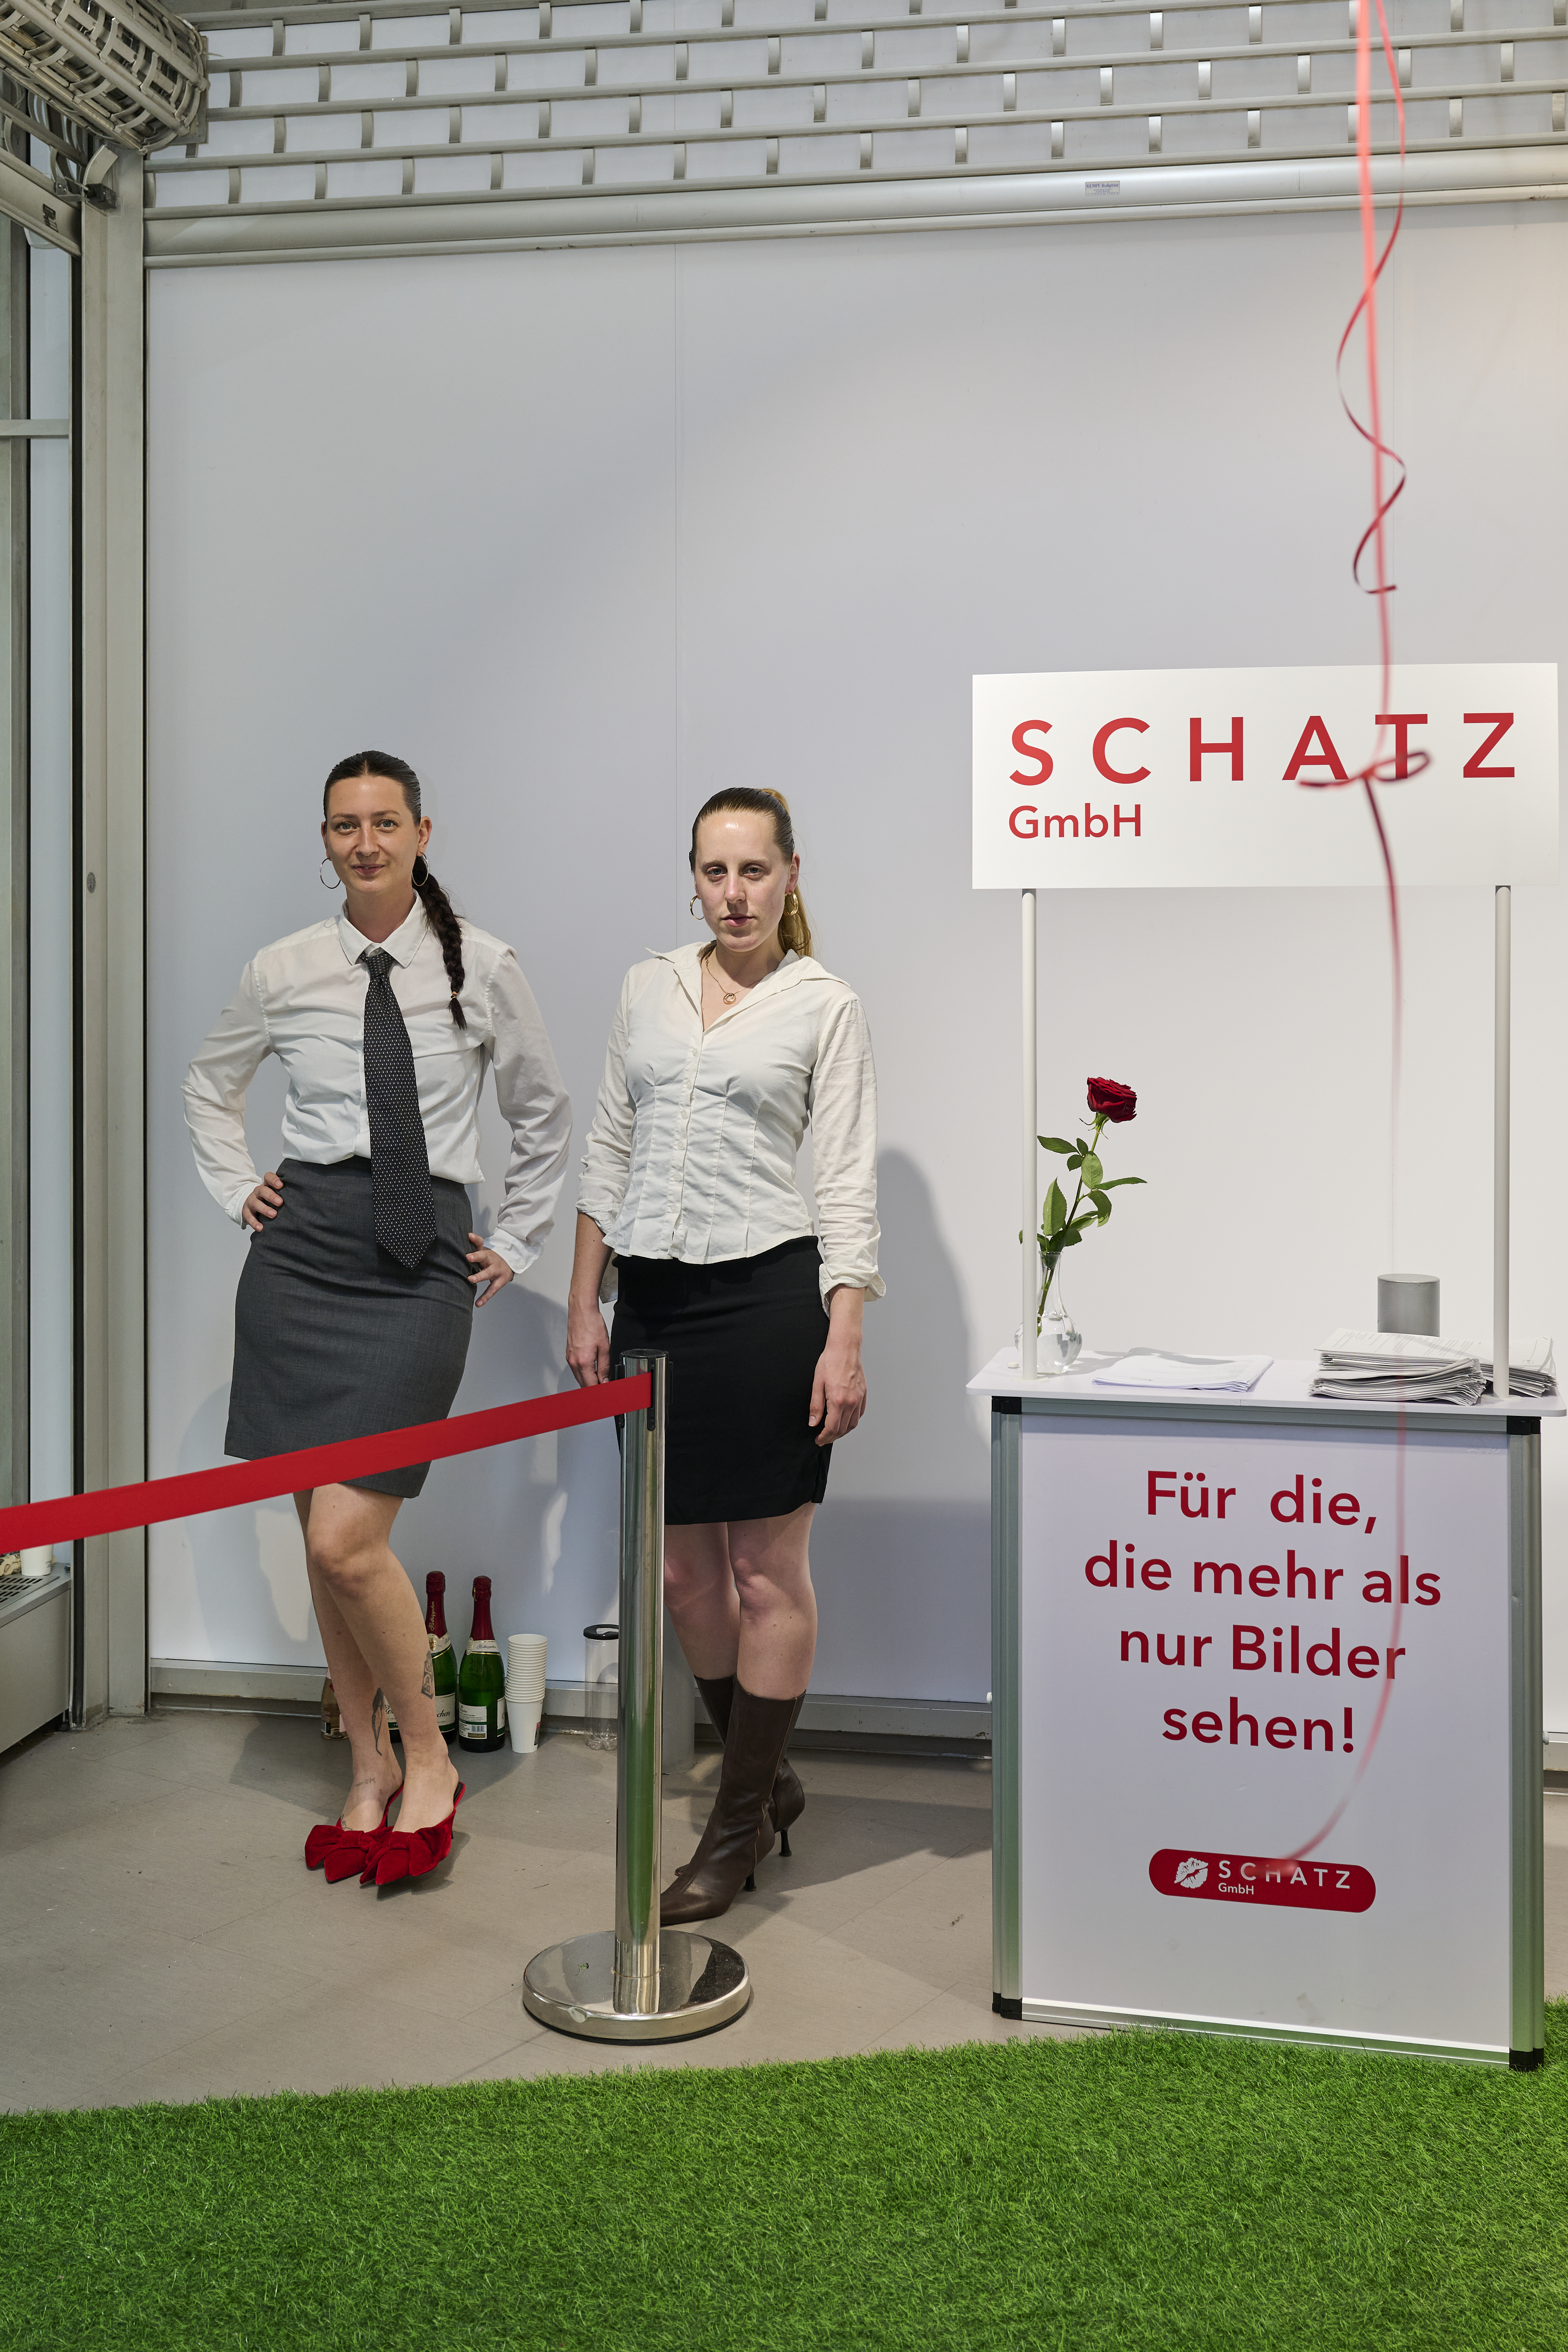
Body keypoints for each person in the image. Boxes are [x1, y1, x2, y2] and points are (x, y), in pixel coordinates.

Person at [184, 751, 571, 1888]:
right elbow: (211, 1084)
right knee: (324, 1536)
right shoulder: (284, 968)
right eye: (345, 825)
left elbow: (543, 1111)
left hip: (416, 1265)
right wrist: (235, 1185)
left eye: (385, 822)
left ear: (421, 831)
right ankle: (365, 1766)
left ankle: (431, 1759)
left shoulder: (483, 964)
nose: (365, 842)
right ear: (325, 838)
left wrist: (518, 1238)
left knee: (344, 1539)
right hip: (302, 1258)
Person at [568, 787, 881, 1923]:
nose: (734, 893)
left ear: (791, 874)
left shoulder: (822, 1004)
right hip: (649, 1302)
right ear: (692, 877)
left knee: (763, 1572)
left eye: (754, 870)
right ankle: (770, 1779)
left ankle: (733, 1827)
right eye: (714, 871)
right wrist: (583, 1297)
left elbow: (844, 1179)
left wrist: (843, 1336)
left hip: (765, 1303)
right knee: (678, 1575)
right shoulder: (645, 986)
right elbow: (609, 1139)